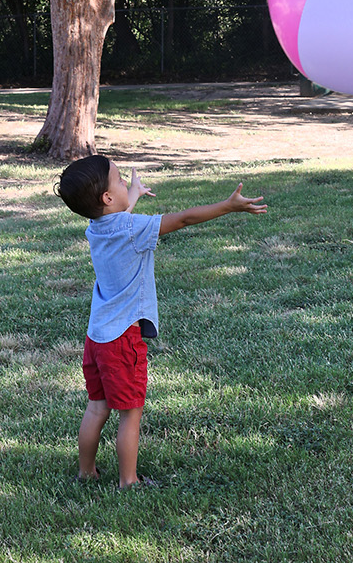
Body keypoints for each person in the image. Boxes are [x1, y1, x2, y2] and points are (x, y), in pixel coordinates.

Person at [55, 156, 266, 487]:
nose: (126, 184)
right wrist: (229, 206)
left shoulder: (95, 227)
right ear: (107, 199)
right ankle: (128, 481)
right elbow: (183, 219)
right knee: (131, 412)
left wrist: (133, 194)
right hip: (123, 340)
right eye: (121, 181)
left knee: (97, 408)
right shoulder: (133, 229)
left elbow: (117, 217)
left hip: (96, 339)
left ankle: (86, 472)